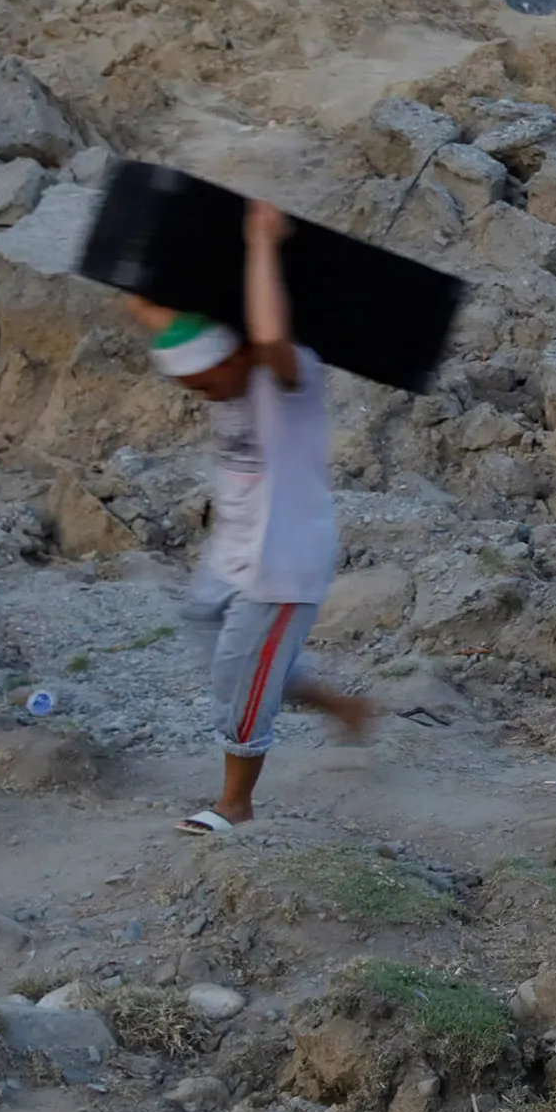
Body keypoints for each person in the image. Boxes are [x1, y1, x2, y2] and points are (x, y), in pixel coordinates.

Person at [137, 198, 372, 833]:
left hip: (282, 561)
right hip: (233, 549)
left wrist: (262, 239)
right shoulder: (225, 369)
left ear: (235, 354)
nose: (207, 398)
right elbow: (149, 307)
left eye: (209, 384)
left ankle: (235, 805)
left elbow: (268, 334)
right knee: (213, 640)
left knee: (239, 681)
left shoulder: (287, 380)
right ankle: (341, 704)